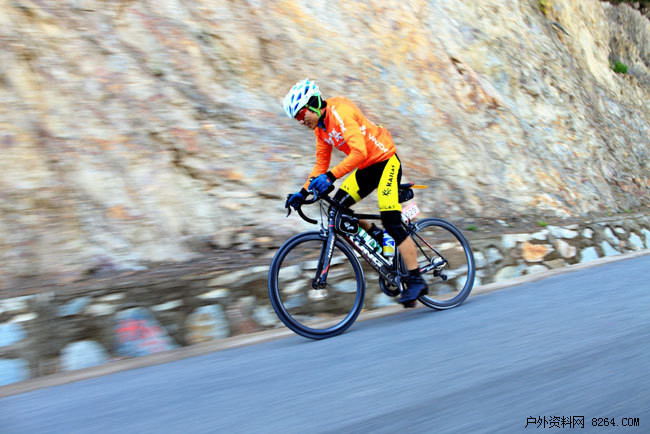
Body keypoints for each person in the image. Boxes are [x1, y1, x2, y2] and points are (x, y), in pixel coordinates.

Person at [283, 78, 427, 307]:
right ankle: (377, 236)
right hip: (366, 168)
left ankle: (417, 279)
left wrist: (331, 177)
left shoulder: (340, 112)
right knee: (338, 209)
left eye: (301, 115)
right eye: (297, 119)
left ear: (312, 104)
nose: (301, 121)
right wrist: (302, 192)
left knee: (392, 221)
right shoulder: (321, 129)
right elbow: (321, 164)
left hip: (385, 162)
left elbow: (359, 152)